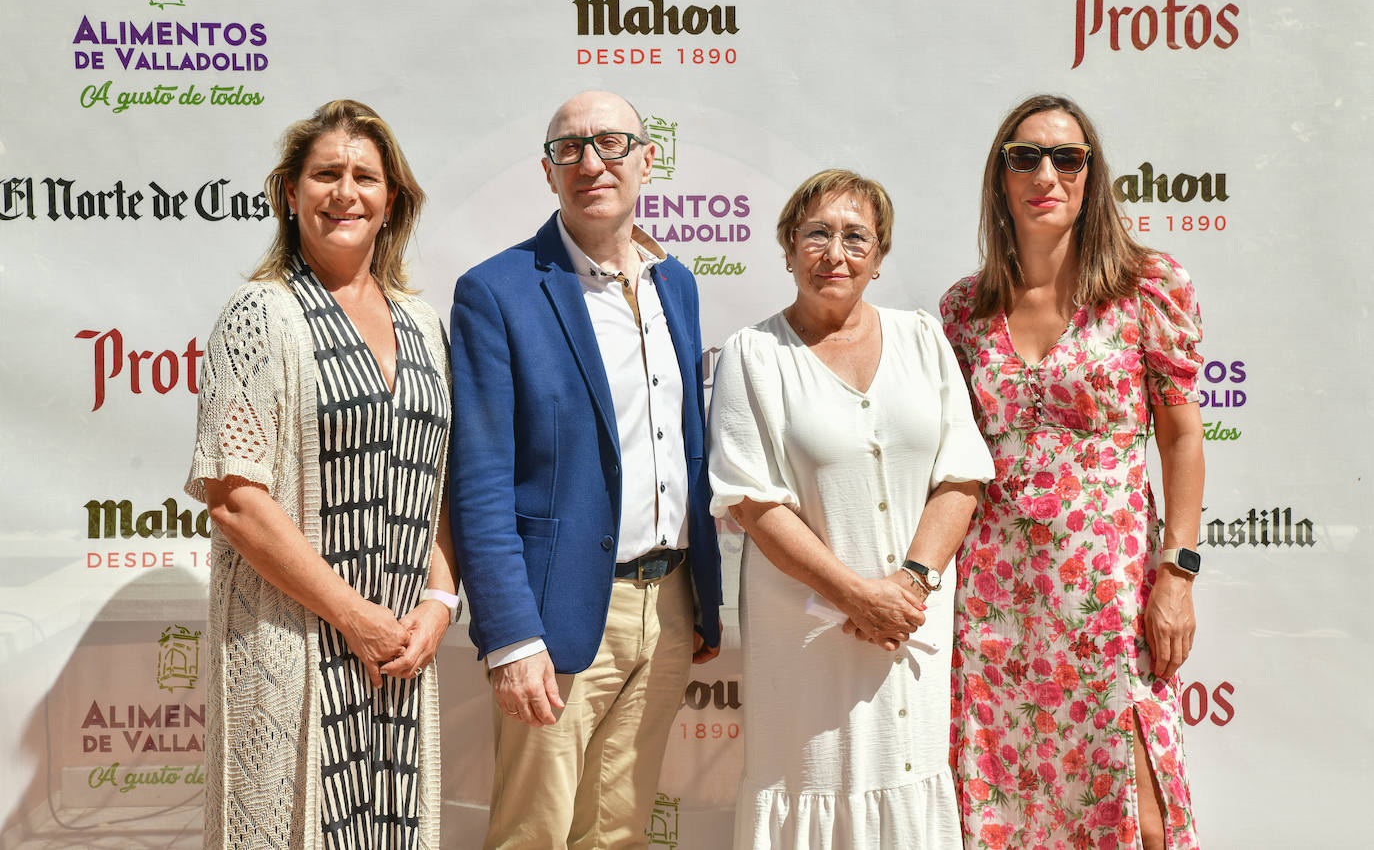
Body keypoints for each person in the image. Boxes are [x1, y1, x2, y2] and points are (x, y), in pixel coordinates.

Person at [448, 90, 723, 849]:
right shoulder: (496, 293)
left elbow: (684, 444)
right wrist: (509, 637)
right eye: (569, 149)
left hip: (668, 605)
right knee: (532, 836)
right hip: (560, 613)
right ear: (548, 172)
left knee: (620, 833)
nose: (590, 163)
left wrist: (703, 596)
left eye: (610, 143)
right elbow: (478, 481)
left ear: (646, 159)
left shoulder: (678, 284)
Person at [186, 99, 458, 849]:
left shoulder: (424, 323)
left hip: (397, 656)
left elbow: (431, 485)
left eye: (365, 176)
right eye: (325, 174)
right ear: (289, 193)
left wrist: (435, 604)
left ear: (391, 199)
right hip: (294, 645)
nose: (346, 193)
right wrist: (354, 616)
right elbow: (236, 501)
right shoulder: (259, 314)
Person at [940, 94, 1204, 850]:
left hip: (1111, 592)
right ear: (1000, 178)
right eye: (1024, 156)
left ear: (1092, 174)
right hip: (995, 598)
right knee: (1007, 799)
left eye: (1068, 157)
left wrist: (1177, 573)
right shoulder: (964, 309)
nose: (1045, 173)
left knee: (1140, 805)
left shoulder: (1147, 288)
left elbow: (1183, 437)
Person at [707, 169, 994, 849]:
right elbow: (752, 502)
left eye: (855, 237)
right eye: (817, 234)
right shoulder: (755, 355)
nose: (835, 253)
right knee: (814, 780)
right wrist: (857, 596)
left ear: (880, 256)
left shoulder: (923, 339)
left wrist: (910, 584)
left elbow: (962, 474)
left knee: (907, 776)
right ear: (786, 248)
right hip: (807, 642)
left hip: (911, 629)